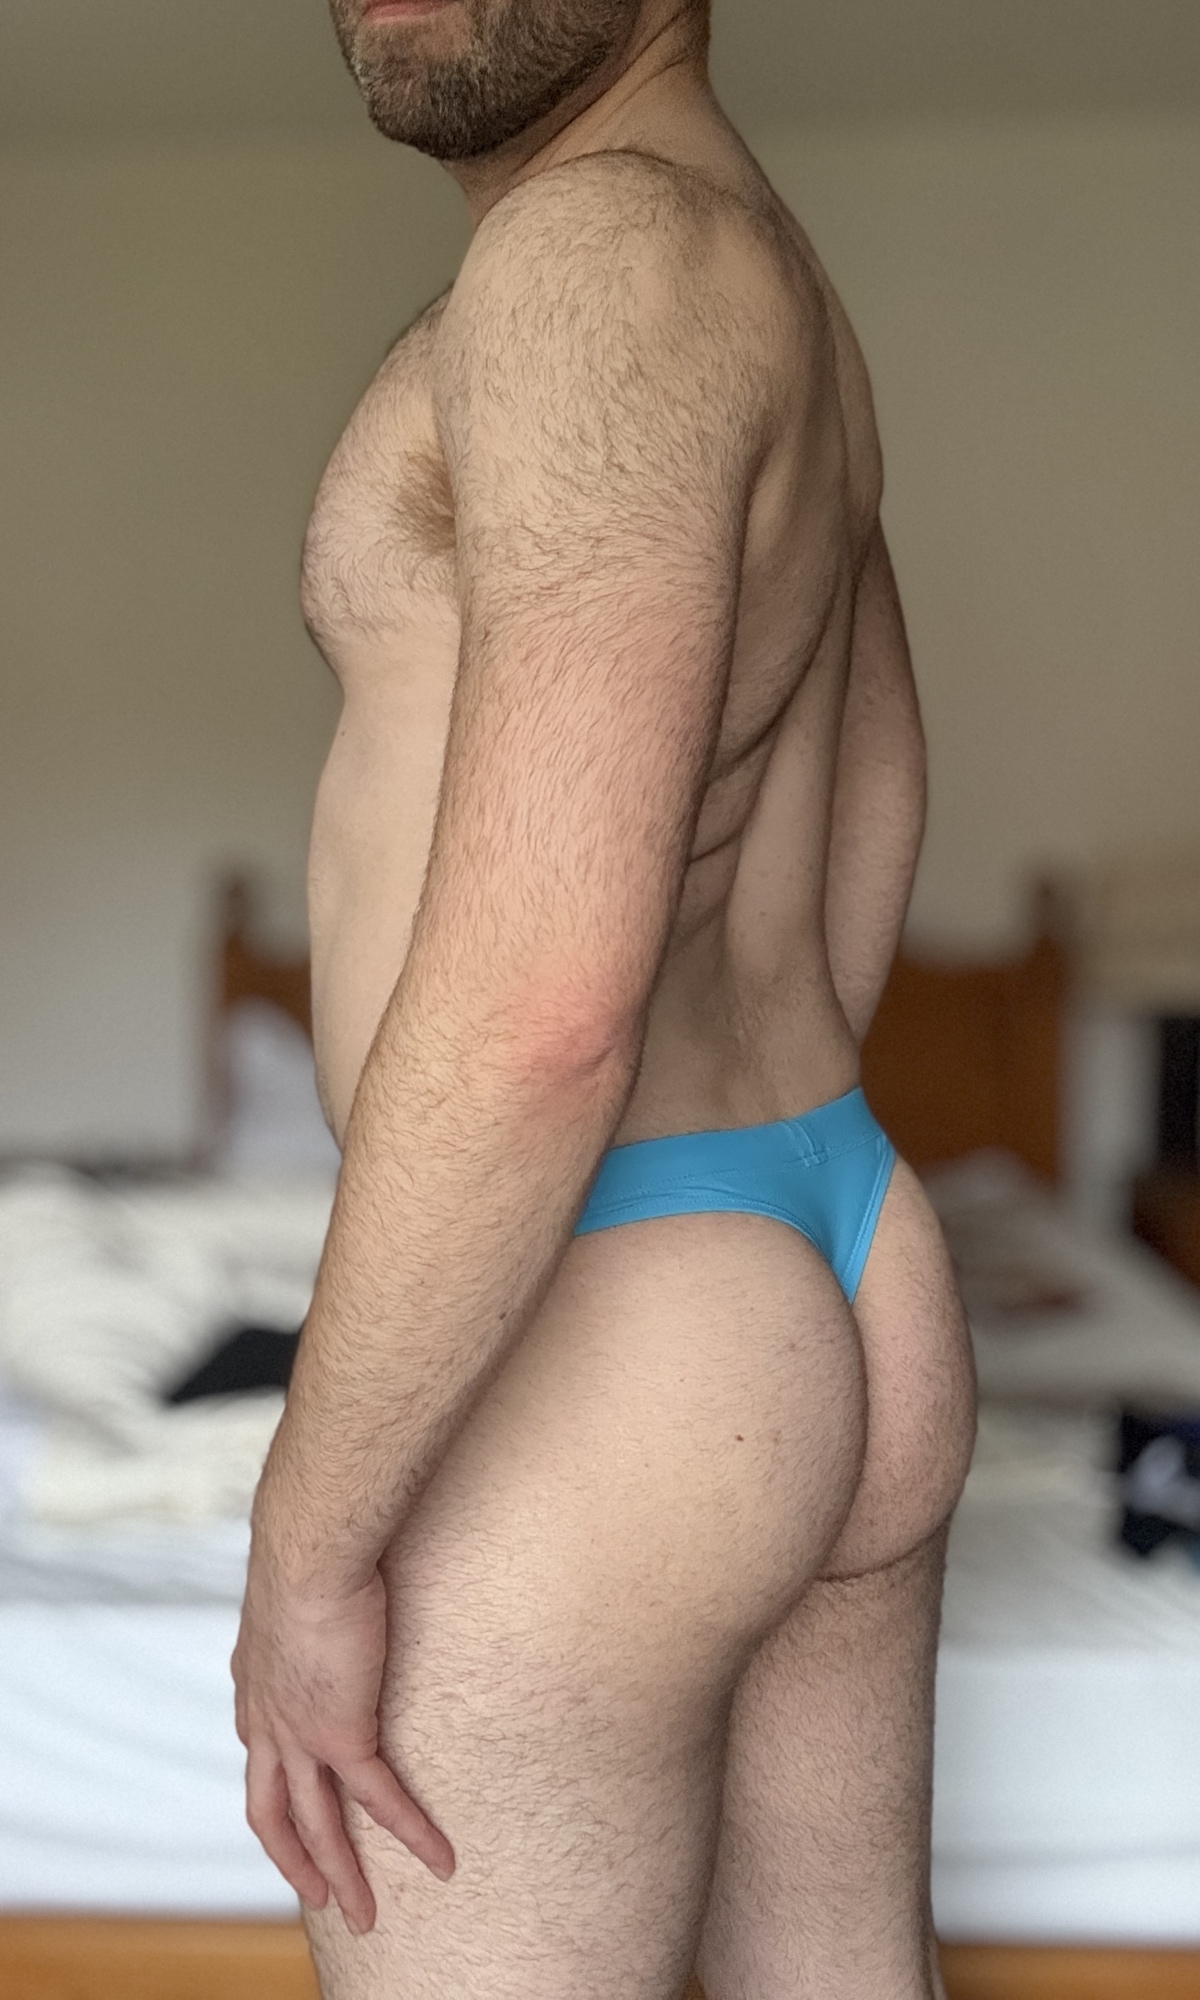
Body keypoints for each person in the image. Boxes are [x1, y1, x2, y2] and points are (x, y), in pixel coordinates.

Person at [231, 1, 976, 1994]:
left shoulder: (586, 257)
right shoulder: (758, 270)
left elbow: (547, 1002)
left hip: (606, 1311)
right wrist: (751, 1282)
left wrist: (307, 1538)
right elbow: (872, 807)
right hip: (832, 1231)